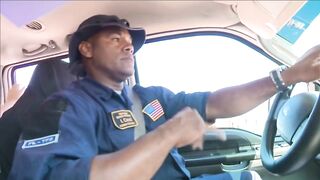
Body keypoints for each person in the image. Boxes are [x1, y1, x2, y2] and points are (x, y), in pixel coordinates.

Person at [8, 14, 320, 180]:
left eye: (130, 41)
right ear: (85, 49)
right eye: (115, 39)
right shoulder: (66, 108)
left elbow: (217, 102)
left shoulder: (148, 97)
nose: (129, 46)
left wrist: (286, 77)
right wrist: (167, 135)